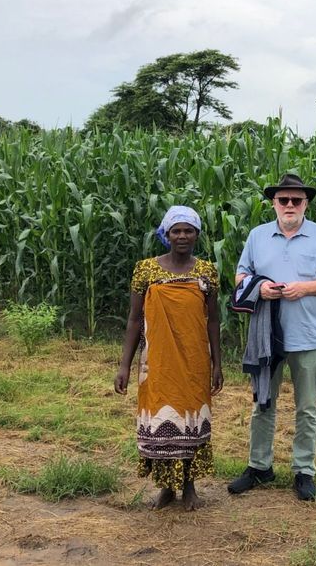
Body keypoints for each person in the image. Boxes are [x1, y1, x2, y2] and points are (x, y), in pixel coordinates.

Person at [227, 173, 316, 501]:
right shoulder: (257, 236)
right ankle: (259, 466)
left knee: (306, 407)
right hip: (266, 336)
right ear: (274, 203)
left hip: (307, 336)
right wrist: (260, 288)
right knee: (262, 404)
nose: (290, 205)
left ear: (305, 203)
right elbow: (240, 275)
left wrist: (304, 288)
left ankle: (303, 470)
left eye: (296, 200)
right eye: (284, 200)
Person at [114, 205, 223, 511]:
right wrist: (124, 365)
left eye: (189, 230)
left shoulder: (206, 272)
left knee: (190, 420)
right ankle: (165, 489)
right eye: (176, 230)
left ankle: (189, 487)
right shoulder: (146, 270)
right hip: (157, 361)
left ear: (197, 234)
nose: (183, 236)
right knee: (161, 420)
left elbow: (213, 320)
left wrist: (217, 363)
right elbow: (135, 320)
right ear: (166, 234)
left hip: (194, 360)